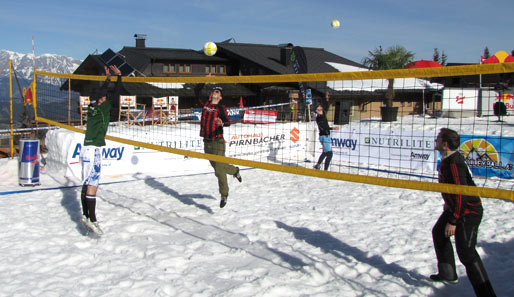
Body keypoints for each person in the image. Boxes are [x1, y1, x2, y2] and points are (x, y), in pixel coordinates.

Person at [431, 128, 496, 297]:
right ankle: (448, 273)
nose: (435, 141)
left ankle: (486, 293)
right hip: (456, 207)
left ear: (445, 144)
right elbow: (451, 189)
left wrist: (453, 221)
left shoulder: (454, 163)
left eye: (438, 139)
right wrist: (448, 204)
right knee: (439, 232)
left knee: (467, 253)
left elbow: (461, 193)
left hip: (469, 211)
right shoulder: (447, 159)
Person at [79, 65, 123, 234]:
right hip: (94, 150)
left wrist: (107, 79)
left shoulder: (91, 108)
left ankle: (85, 215)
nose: (106, 98)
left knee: (86, 183)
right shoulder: (103, 108)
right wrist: (118, 77)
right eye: (104, 97)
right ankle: (93, 219)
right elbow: (116, 94)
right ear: (100, 100)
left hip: (86, 149)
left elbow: (104, 92)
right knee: (93, 185)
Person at [200, 86, 242, 208]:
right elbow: (197, 90)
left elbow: (228, 122)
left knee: (219, 170)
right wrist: (205, 81)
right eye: (215, 90)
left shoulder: (220, 108)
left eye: (219, 91)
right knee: (218, 167)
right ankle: (235, 170)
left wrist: (221, 122)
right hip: (206, 142)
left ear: (220, 97)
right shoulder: (205, 103)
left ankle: (224, 194)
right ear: (211, 94)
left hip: (217, 141)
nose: (216, 91)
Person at [313, 93, 338, 170]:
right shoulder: (319, 118)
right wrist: (331, 129)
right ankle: (325, 170)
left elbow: (326, 107)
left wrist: (326, 99)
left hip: (325, 136)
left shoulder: (323, 114)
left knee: (325, 152)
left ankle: (317, 165)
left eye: (321, 107)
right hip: (324, 137)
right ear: (317, 111)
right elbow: (324, 128)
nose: (321, 109)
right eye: (319, 108)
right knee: (329, 154)